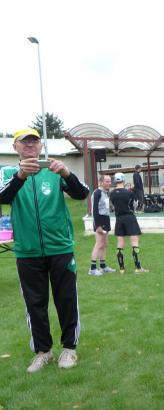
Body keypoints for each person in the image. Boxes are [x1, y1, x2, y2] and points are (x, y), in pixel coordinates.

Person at [0, 128, 90, 372]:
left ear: (41, 146)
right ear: (15, 147)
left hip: (60, 247)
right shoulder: (7, 173)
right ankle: (43, 352)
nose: (30, 145)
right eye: (24, 142)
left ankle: (69, 349)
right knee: (34, 304)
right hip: (27, 251)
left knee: (66, 300)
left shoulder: (54, 169)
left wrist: (66, 173)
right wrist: (20, 176)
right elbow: (2, 197)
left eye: (34, 141)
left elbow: (82, 193)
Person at [109, 173, 147, 274]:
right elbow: (135, 205)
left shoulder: (111, 194)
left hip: (119, 219)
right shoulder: (129, 193)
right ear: (123, 180)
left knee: (120, 243)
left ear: (115, 181)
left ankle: (121, 269)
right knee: (134, 242)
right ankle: (138, 268)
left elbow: (113, 206)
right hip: (130, 218)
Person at [89, 174, 116, 276]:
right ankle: (92, 269)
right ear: (101, 182)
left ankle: (103, 266)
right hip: (99, 220)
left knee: (104, 244)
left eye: (110, 181)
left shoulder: (106, 193)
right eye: (107, 181)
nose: (109, 183)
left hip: (106, 219)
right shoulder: (97, 193)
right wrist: (98, 226)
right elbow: (94, 210)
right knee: (99, 244)